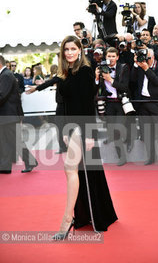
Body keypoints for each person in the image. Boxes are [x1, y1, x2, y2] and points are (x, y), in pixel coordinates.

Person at [52, 36, 117, 239]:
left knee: (70, 169)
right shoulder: (65, 73)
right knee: (80, 171)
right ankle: (83, 214)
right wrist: (63, 131)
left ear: (80, 50)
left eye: (73, 48)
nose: (70, 52)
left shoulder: (86, 71)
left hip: (81, 128)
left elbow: (89, 105)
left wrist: (90, 135)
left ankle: (67, 219)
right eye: (66, 49)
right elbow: (63, 104)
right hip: (70, 128)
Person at [131, 48, 158, 168]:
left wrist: (146, 68)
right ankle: (151, 157)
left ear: (153, 57)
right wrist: (136, 64)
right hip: (143, 102)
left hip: (156, 102)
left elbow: (157, 81)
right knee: (147, 132)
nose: (145, 60)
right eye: (144, 58)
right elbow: (133, 79)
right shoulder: (139, 65)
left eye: (148, 58)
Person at [0, 55, 38, 174]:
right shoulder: (5, 74)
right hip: (7, 115)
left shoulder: (5, 75)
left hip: (8, 115)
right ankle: (5, 166)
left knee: (15, 141)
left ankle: (30, 161)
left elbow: (2, 96)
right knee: (5, 142)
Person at [95, 47, 132, 162]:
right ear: (105, 57)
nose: (110, 59)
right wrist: (97, 78)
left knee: (118, 128)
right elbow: (97, 87)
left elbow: (125, 87)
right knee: (113, 129)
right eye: (108, 56)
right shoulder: (101, 68)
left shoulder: (123, 68)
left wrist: (110, 79)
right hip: (109, 103)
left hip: (121, 102)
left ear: (117, 57)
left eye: (113, 56)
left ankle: (128, 140)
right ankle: (121, 157)